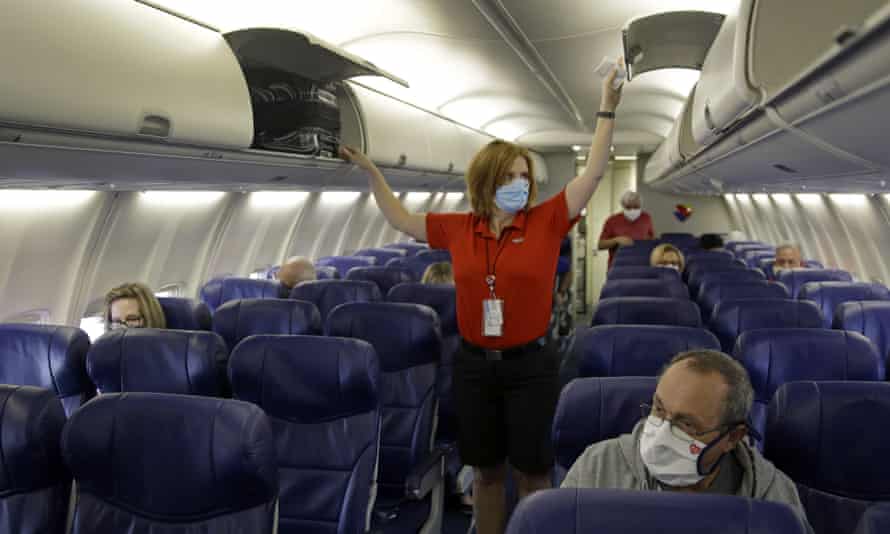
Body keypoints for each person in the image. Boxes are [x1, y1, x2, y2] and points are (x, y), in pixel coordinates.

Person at [340, 62, 624, 534]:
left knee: (534, 473)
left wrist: (607, 108)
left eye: (524, 176)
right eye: (510, 176)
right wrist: (372, 172)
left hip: (531, 366)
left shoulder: (546, 221)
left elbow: (593, 175)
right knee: (487, 474)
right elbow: (401, 220)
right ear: (486, 182)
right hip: (474, 365)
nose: (521, 184)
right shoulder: (459, 228)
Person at [561, 350, 810, 530]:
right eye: (658, 409)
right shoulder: (597, 467)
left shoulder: (774, 499)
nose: (661, 434)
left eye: (686, 424)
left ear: (732, 437)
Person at [598, 191, 655, 268]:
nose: (632, 210)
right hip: (618, 267)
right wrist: (616, 240)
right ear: (623, 206)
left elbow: (652, 239)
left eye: (636, 207)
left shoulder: (646, 218)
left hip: (642, 266)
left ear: (640, 206)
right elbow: (600, 245)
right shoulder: (612, 220)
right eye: (629, 207)